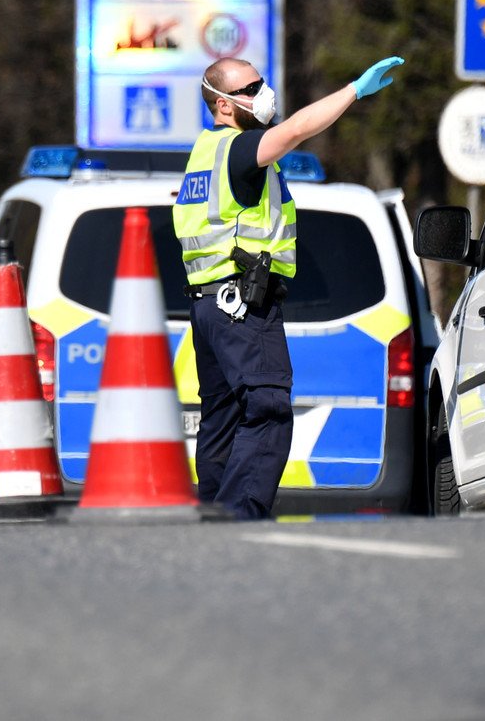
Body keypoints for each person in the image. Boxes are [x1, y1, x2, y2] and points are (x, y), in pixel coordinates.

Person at [172, 55, 404, 519]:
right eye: (249, 89)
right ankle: (239, 517)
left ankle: (213, 520)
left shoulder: (204, 153)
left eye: (261, 82)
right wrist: (354, 90)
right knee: (268, 409)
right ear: (222, 105)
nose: (263, 93)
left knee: (223, 420)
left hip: (210, 307)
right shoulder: (239, 149)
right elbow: (297, 129)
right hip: (241, 307)